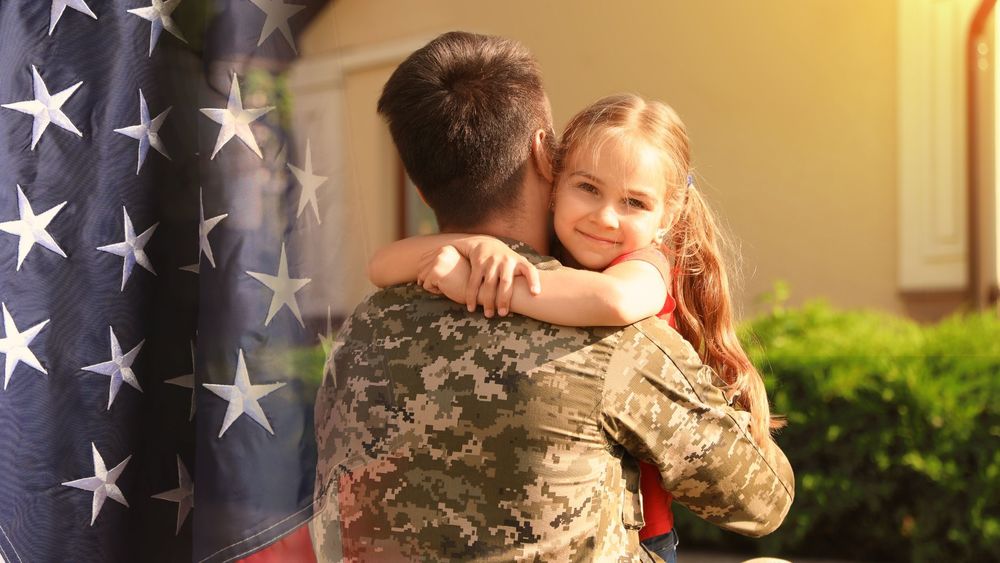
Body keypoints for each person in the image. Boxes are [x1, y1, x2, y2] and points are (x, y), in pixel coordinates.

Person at [311, 31, 794, 562]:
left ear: (421, 191)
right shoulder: (608, 338)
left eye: (632, 201)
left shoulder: (359, 334)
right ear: (548, 155)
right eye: (588, 187)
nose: (606, 215)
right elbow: (764, 501)